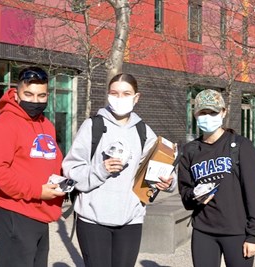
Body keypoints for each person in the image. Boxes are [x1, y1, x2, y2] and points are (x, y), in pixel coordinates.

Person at [62, 73, 176, 267]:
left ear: (136, 97)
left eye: (126, 93)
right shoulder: (93, 126)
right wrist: (100, 169)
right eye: (114, 93)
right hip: (92, 220)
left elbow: (160, 167)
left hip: (130, 220)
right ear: (107, 95)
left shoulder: (144, 131)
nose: (119, 98)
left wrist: (169, 181)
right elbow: (71, 169)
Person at [0, 66, 65, 267]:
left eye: (41, 95)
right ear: (17, 94)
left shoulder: (46, 124)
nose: (35, 101)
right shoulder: (5, 124)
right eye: (28, 94)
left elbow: (51, 162)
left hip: (39, 211)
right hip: (14, 212)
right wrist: (37, 191)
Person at [178, 89, 255, 267]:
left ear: (223, 113)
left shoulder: (240, 146)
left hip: (237, 232)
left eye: (213, 112)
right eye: (203, 112)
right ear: (195, 114)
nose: (207, 117)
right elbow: (185, 194)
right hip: (204, 232)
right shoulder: (190, 151)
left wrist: (254, 235)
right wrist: (195, 196)